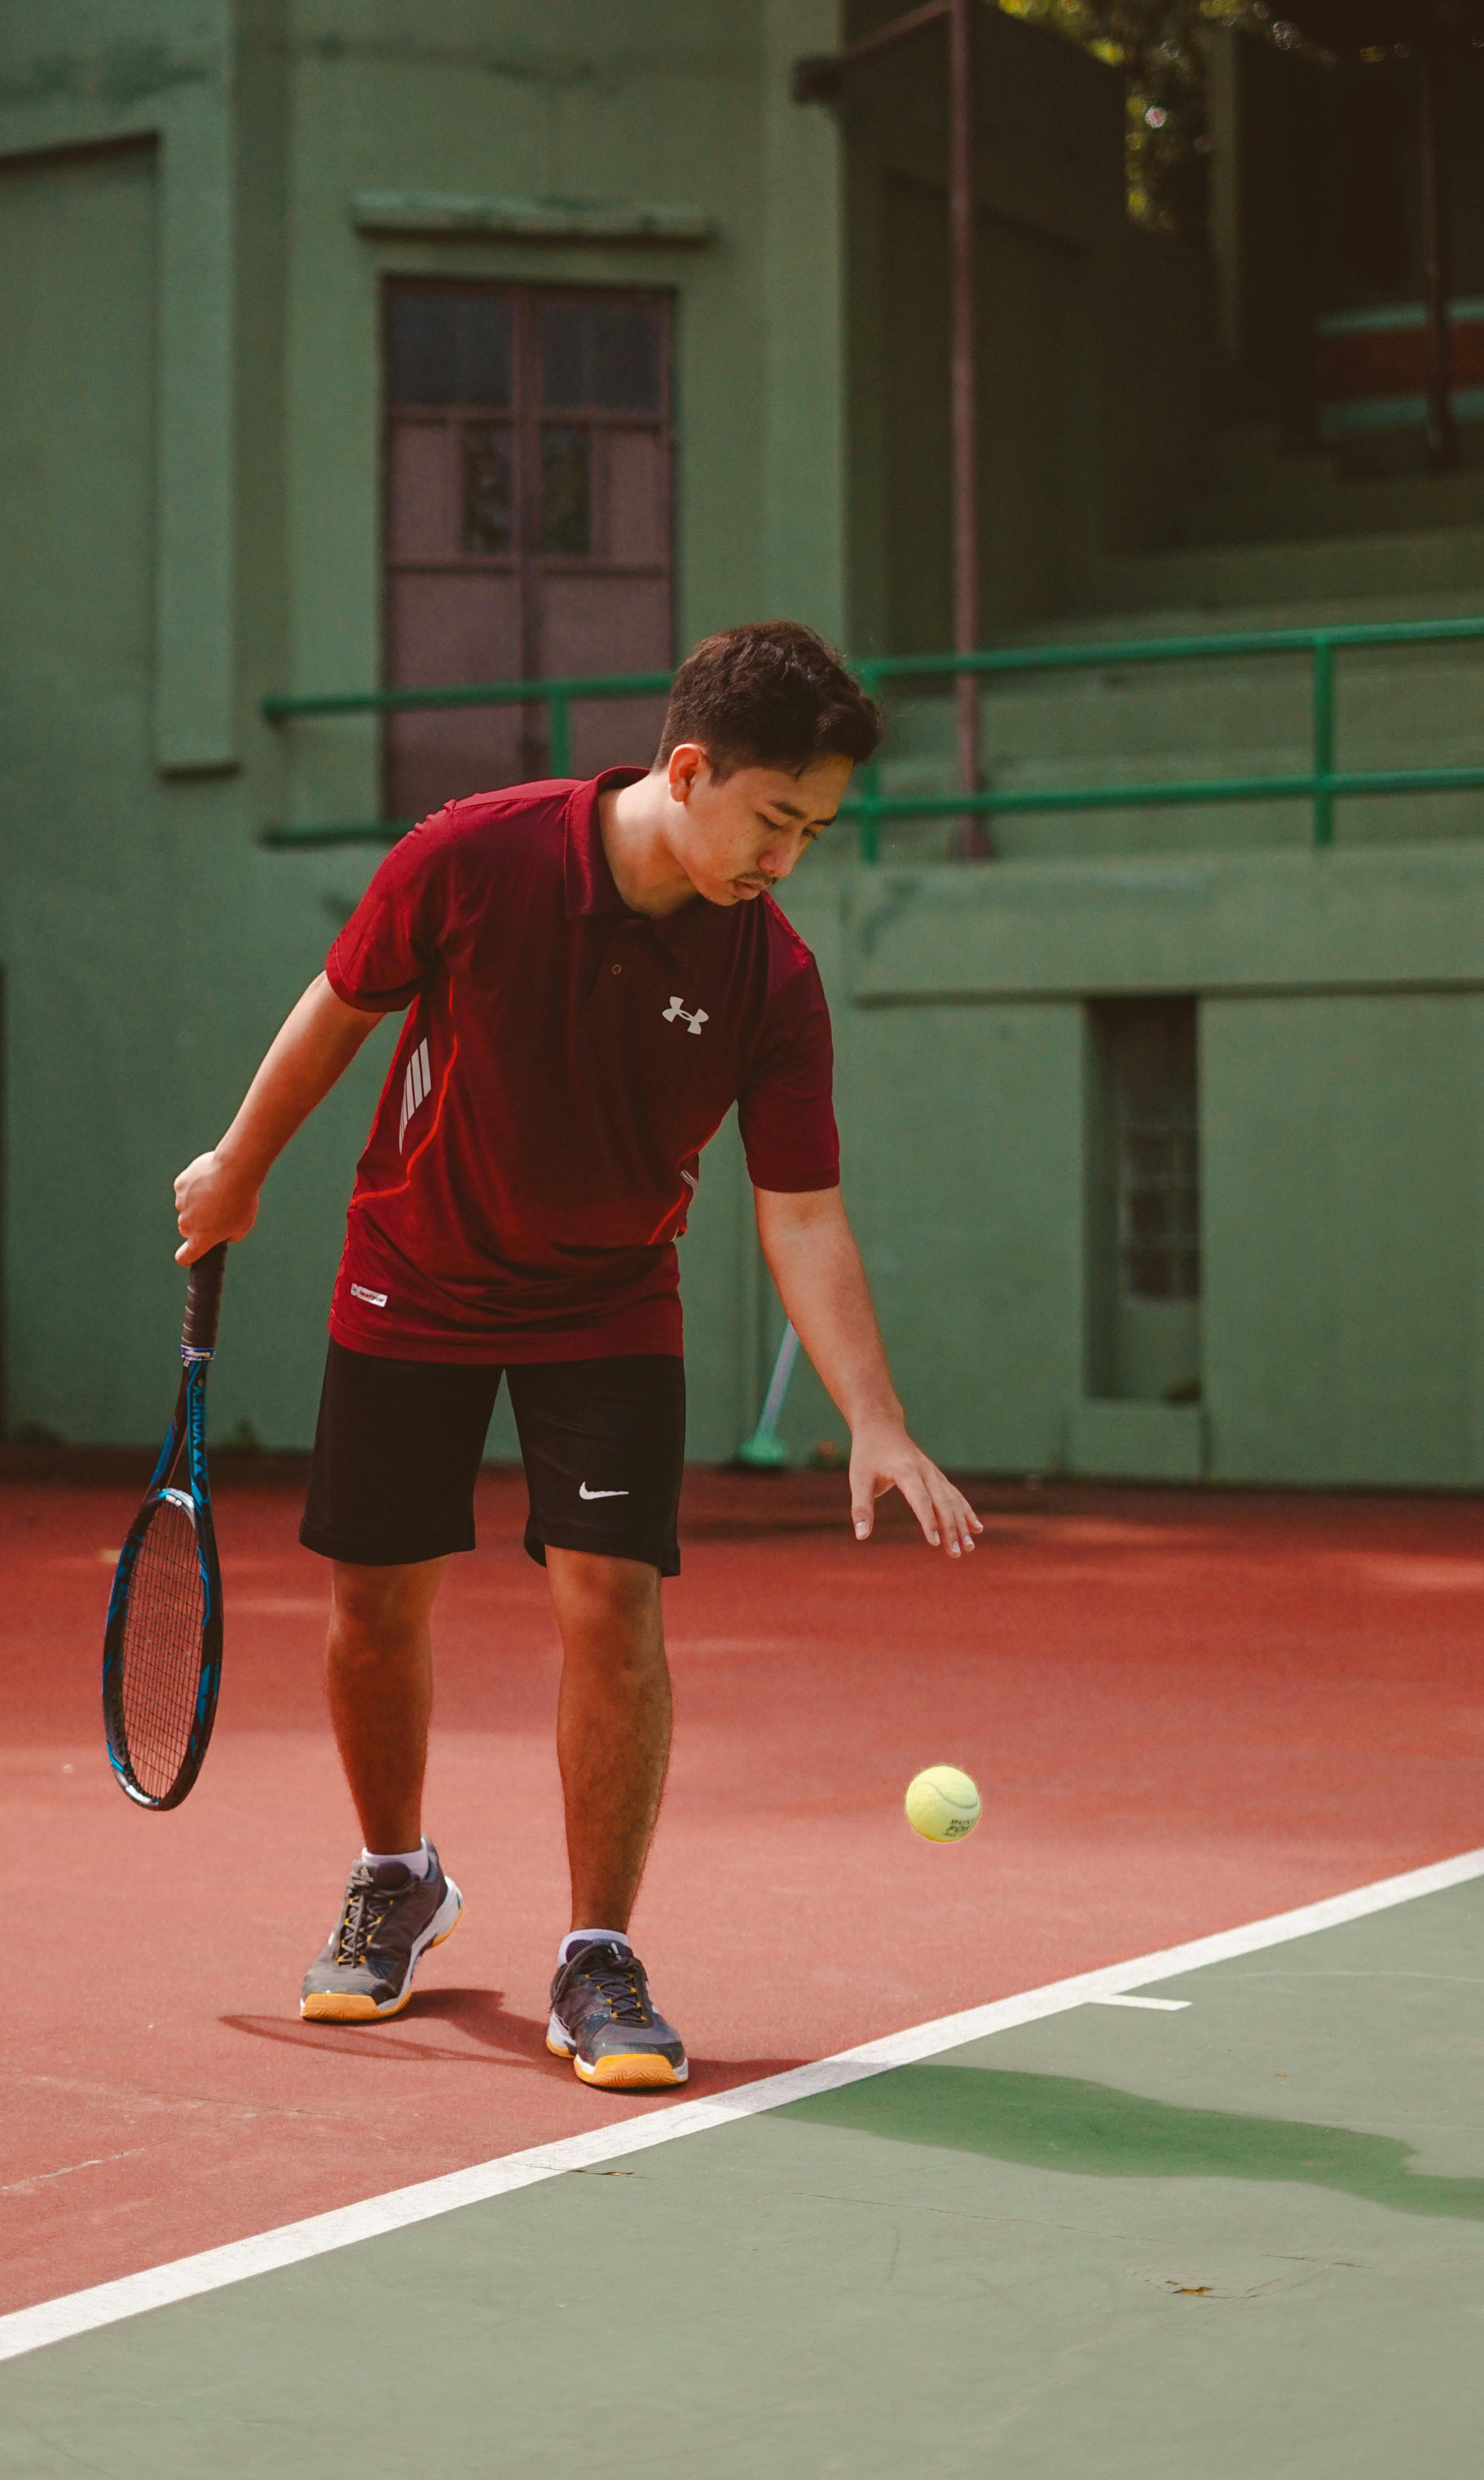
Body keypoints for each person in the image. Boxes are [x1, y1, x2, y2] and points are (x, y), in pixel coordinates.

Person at [173, 621, 979, 2091]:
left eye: (815, 831)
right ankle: (395, 1875)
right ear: (689, 771)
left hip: (609, 1301)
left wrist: (877, 1413)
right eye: (775, 818)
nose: (788, 856)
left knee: (614, 1608)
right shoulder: (471, 859)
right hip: (413, 1272)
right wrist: (241, 1164)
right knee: (375, 1607)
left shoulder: (769, 977)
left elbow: (801, 1217)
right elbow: (340, 1010)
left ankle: (598, 1955)